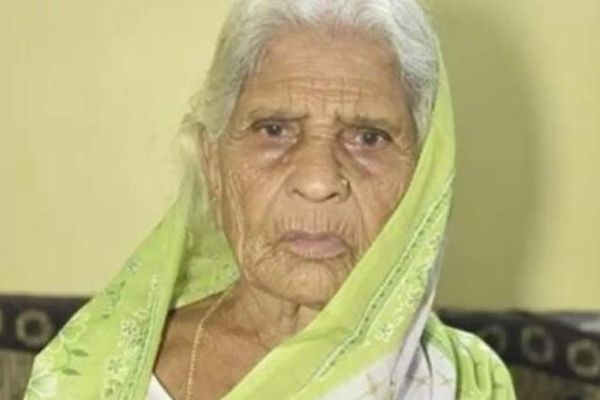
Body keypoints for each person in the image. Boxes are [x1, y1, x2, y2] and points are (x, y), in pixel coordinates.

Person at [25, 0, 515, 399]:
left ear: (424, 179)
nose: (319, 180)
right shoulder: (95, 371)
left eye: (368, 137)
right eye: (274, 130)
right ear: (214, 165)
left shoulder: (462, 383)